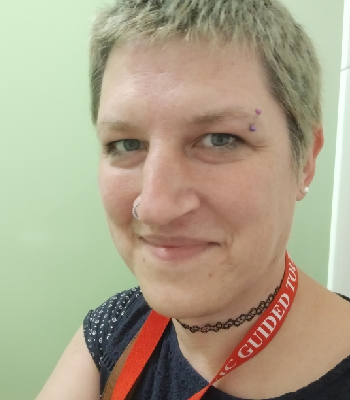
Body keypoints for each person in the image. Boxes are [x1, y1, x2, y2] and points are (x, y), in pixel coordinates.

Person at [35, 0, 350, 399]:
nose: (155, 207)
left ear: (305, 161)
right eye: (126, 144)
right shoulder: (112, 331)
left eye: (220, 139)